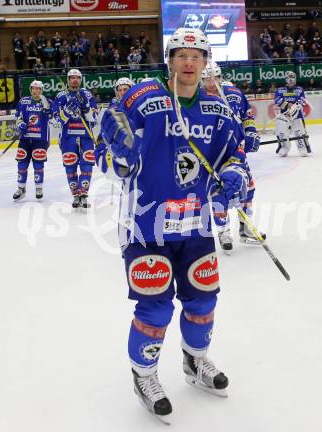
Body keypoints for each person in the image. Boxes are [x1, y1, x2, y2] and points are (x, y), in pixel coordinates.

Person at [99, 27, 247, 422]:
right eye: (181, 55)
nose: (189, 62)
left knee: (203, 301)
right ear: (169, 60)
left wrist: (234, 175)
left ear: (206, 62)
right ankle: (144, 376)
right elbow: (106, 153)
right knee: (155, 307)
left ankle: (195, 360)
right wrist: (119, 157)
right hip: (146, 226)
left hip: (196, 226)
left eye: (196, 56)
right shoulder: (142, 98)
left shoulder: (218, 111)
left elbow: (234, 154)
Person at [201, 61, 263, 252]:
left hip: (236, 151)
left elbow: (246, 116)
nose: (212, 83)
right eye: (207, 79)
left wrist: (251, 132)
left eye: (215, 78)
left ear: (221, 77)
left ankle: (246, 228)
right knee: (219, 192)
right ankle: (223, 230)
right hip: (212, 155)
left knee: (248, 187)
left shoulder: (234, 93)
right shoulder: (196, 98)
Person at [52, 69, 98, 210]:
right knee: (70, 166)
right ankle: (75, 195)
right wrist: (67, 111)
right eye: (72, 77)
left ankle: (83, 193)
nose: (75, 80)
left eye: (78, 77)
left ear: (81, 80)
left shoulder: (87, 95)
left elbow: (94, 118)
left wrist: (86, 107)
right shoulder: (61, 96)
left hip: (86, 136)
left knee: (87, 164)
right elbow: (56, 120)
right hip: (68, 137)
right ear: (68, 80)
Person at [13, 80, 52, 201]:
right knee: (22, 164)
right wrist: (20, 124)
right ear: (30, 90)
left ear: (41, 90)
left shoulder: (47, 102)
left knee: (38, 165)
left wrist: (46, 107)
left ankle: (39, 188)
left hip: (40, 139)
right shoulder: (23, 101)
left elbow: (51, 115)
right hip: (25, 138)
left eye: (38, 89)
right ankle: (21, 189)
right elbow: (18, 117)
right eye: (34, 88)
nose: (36, 91)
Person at [95, 77, 134, 174]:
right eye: (120, 90)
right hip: (123, 151)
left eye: (125, 89)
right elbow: (106, 129)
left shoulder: (138, 104)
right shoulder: (113, 107)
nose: (122, 92)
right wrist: (101, 144)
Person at [274, 71, 308, 157]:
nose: (291, 79)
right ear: (286, 79)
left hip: (297, 115)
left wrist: (295, 105)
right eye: (290, 77)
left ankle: (302, 148)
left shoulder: (300, 89)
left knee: (298, 132)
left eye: (293, 77)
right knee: (282, 133)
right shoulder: (279, 90)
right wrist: (287, 104)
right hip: (284, 116)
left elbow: (303, 100)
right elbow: (277, 100)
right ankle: (284, 148)